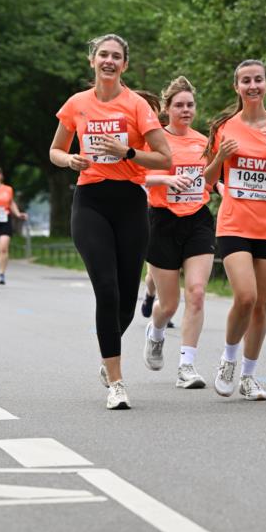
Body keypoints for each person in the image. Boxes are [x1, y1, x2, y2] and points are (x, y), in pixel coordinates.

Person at [50, 33, 171, 410]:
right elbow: (55, 150)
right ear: (92, 61)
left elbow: (164, 158)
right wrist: (70, 160)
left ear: (124, 65)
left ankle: (108, 354)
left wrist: (128, 152)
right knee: (105, 287)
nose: (108, 61)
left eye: (116, 57)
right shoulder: (77, 104)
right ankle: (117, 381)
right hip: (90, 201)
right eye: (103, 55)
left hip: (130, 202)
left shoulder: (135, 105)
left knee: (125, 299)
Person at [203, 59, 266, 400]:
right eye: (246, 81)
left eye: (258, 80)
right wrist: (219, 157)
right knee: (245, 297)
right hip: (234, 223)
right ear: (237, 87)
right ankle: (228, 359)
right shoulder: (224, 126)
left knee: (261, 304)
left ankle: (248, 375)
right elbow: (207, 181)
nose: (252, 86)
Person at [142, 76, 215, 388]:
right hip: (162, 221)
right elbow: (136, 176)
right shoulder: (155, 141)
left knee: (197, 293)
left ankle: (187, 366)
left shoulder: (203, 142)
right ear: (167, 109)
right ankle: (156, 331)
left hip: (198, 219)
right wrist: (164, 180)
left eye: (190, 105)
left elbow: (209, 181)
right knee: (169, 305)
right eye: (179, 105)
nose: (186, 110)